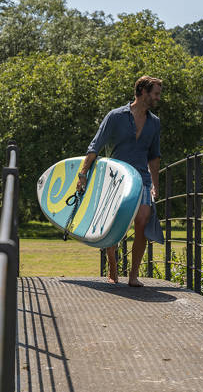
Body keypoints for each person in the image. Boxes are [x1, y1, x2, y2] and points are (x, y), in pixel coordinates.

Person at [76, 75, 162, 287]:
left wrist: (154, 184)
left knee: (142, 220)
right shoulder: (115, 116)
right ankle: (113, 264)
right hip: (115, 178)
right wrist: (83, 173)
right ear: (143, 92)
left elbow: (154, 156)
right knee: (112, 223)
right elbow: (96, 145)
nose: (158, 98)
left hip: (141, 178)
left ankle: (133, 275)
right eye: (156, 94)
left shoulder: (155, 123)